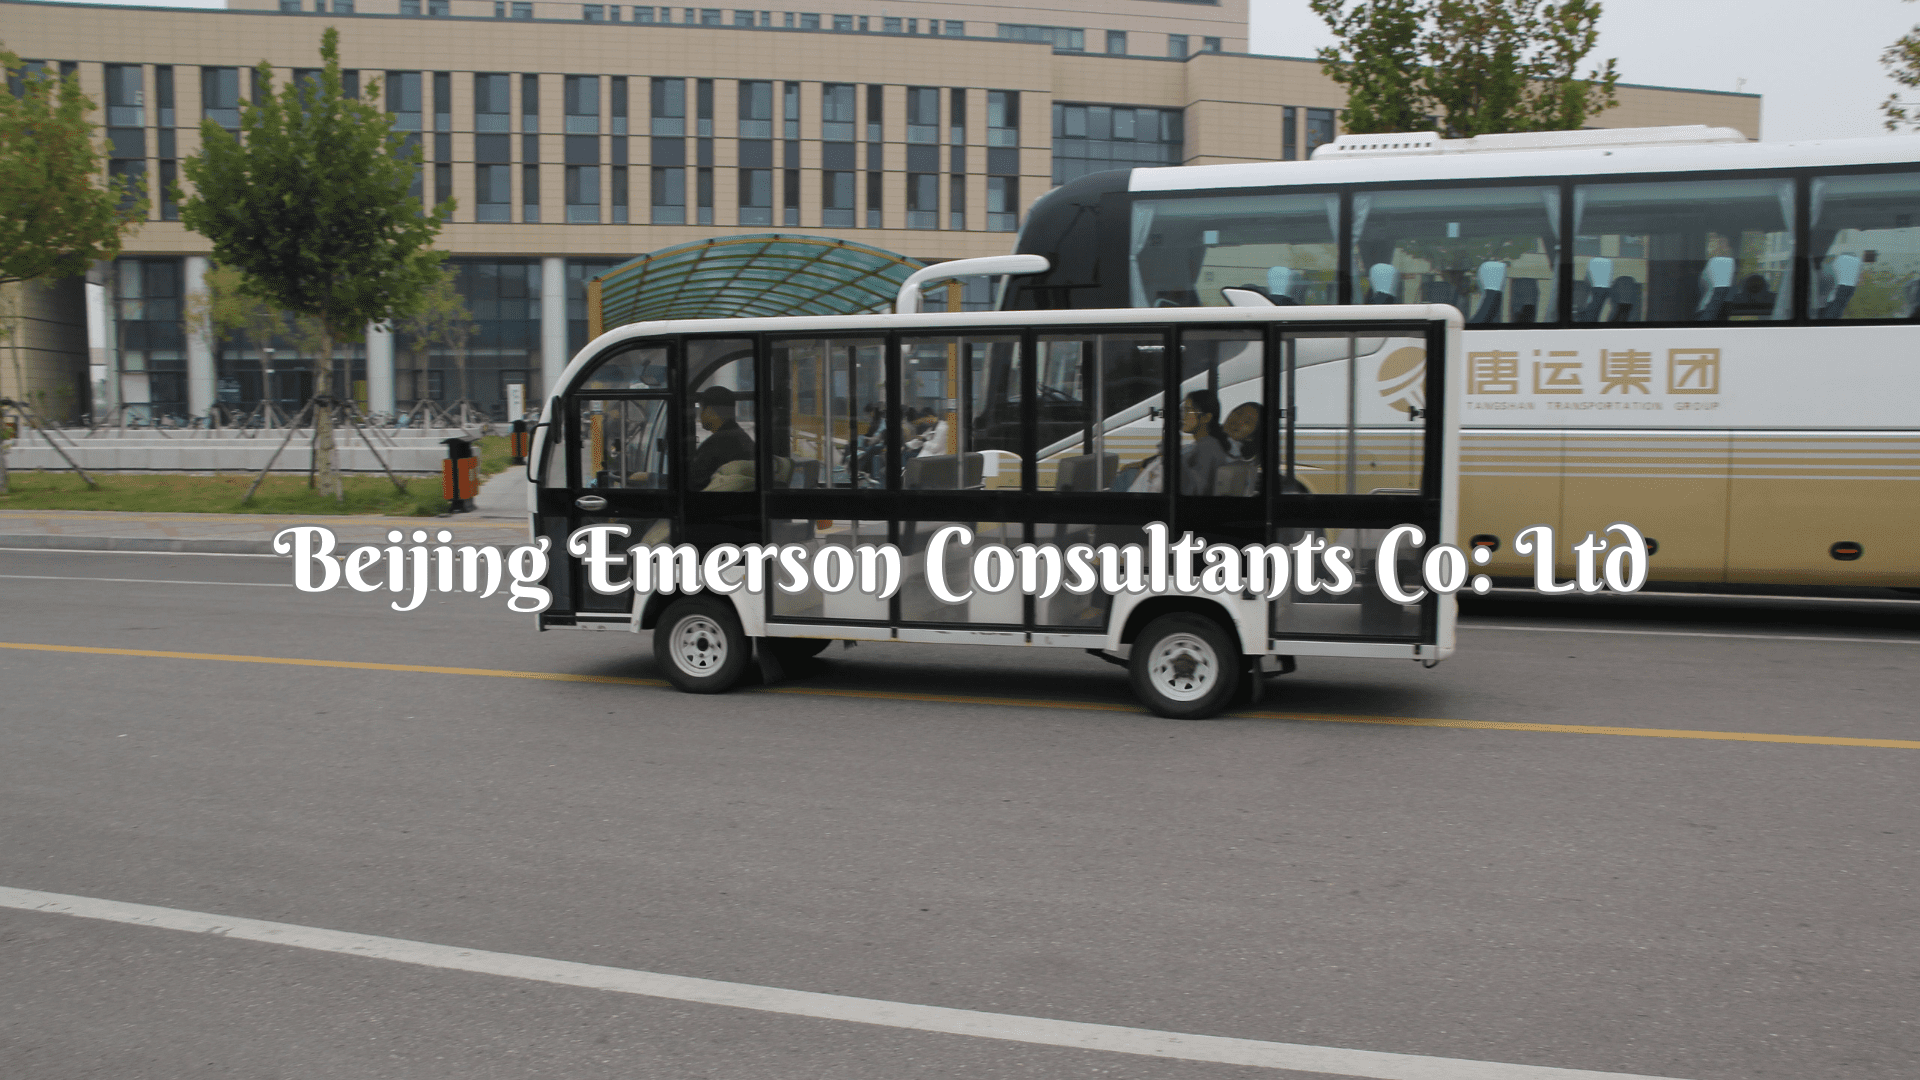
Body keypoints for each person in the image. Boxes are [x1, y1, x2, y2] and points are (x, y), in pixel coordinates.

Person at [688, 385, 755, 491]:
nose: (699, 416)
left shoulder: (716, 444)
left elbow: (692, 482)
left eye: (701, 410)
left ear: (710, 411)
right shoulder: (741, 437)